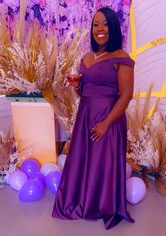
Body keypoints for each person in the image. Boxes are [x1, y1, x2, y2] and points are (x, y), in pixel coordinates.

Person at [52, 6, 135, 230]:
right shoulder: (86, 57)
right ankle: (84, 200)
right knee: (85, 159)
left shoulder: (121, 57)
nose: (100, 29)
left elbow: (126, 95)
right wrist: (77, 87)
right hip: (85, 116)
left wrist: (106, 123)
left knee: (103, 162)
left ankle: (101, 204)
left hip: (108, 119)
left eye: (106, 24)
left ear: (115, 29)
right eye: (96, 24)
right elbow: (84, 92)